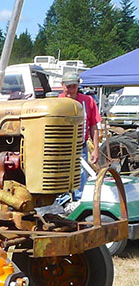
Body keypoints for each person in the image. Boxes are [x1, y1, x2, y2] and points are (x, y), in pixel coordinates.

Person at [59, 69, 100, 201]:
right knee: (61, 174)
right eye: (68, 86)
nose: (71, 90)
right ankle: (62, 202)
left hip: (80, 146)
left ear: (78, 86)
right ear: (62, 85)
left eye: (74, 86)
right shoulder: (57, 103)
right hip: (61, 148)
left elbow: (93, 125)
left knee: (81, 175)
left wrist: (96, 149)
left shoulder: (88, 101)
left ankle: (78, 203)